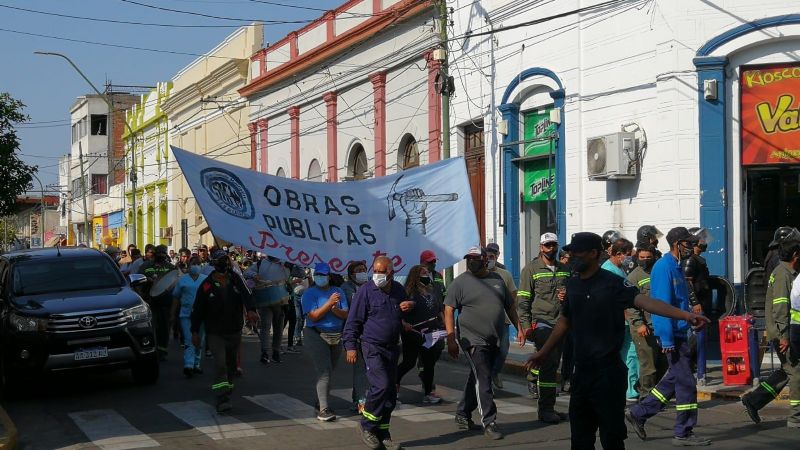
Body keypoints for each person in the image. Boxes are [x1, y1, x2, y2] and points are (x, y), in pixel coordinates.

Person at [525, 232, 709, 450]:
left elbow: (647, 303)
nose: (571, 256)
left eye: (576, 253)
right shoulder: (573, 284)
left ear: (593, 253)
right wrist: (543, 352)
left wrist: (686, 315)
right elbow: (564, 321)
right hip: (582, 374)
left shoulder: (612, 283)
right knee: (581, 440)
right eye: (570, 252)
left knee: (612, 439)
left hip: (608, 374)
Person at [626, 227, 712, 446]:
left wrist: (693, 320)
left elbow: (680, 302)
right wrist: (665, 338)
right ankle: (683, 432)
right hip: (672, 335)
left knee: (673, 380)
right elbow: (661, 306)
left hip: (681, 332)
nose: (691, 247)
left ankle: (638, 413)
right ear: (677, 244)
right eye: (688, 243)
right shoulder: (664, 268)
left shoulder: (676, 267)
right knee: (686, 384)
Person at [446, 247, 523, 440]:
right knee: (484, 377)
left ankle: (463, 413)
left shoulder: (497, 280)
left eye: (475, 258)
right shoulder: (460, 282)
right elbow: (448, 310)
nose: (472, 261)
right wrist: (451, 338)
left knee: (478, 377)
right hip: (472, 339)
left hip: (494, 338)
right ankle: (489, 421)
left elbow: (510, 306)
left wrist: (519, 328)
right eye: (468, 259)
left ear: (484, 259)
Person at [343, 256, 405, 450]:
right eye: (375, 271)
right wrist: (351, 346)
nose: (377, 275)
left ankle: (383, 432)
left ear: (391, 273)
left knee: (391, 392)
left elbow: (400, 314)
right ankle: (367, 425)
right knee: (381, 386)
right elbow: (353, 321)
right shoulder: (365, 291)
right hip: (372, 346)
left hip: (392, 347)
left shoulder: (398, 290)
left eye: (381, 272)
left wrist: (408, 309)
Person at [742, 228, 800, 428]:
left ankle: (754, 400)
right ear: (794, 254)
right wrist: (783, 336)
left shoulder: (785, 270)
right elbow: (781, 307)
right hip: (783, 332)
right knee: (795, 373)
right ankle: (795, 417)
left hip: (785, 330)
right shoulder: (783, 273)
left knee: (787, 371)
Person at [191, 249, 257, 413]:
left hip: (234, 330)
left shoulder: (235, 279)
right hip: (215, 332)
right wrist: (194, 332)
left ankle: (228, 387)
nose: (224, 264)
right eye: (220, 261)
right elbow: (198, 309)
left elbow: (246, 295)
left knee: (231, 365)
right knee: (220, 364)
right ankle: (222, 398)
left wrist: (251, 310)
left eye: (226, 260)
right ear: (213, 264)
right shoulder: (206, 285)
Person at [517, 233, 570, 422]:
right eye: (547, 245)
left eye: (554, 245)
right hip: (542, 321)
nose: (551, 249)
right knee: (549, 363)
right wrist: (525, 326)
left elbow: (572, 292)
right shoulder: (530, 269)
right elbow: (523, 300)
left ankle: (550, 406)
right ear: (541, 247)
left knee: (554, 363)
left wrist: (568, 295)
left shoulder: (565, 269)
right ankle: (545, 409)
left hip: (562, 322)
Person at [302, 262, 349, 422]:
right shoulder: (309, 293)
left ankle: (320, 401)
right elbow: (314, 316)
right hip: (316, 334)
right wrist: (329, 304)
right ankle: (323, 409)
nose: (321, 277)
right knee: (324, 371)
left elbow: (345, 315)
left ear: (329, 276)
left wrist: (334, 308)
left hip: (336, 335)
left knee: (329, 371)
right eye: (318, 275)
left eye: (323, 275)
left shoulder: (338, 291)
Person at [397, 265, 444, 404]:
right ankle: (394, 384)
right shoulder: (408, 292)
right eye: (423, 273)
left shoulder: (432, 290)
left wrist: (444, 324)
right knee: (409, 362)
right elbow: (400, 310)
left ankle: (428, 392)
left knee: (429, 363)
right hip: (413, 333)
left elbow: (438, 308)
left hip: (430, 333)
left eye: (427, 273)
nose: (427, 275)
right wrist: (404, 322)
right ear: (415, 276)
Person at [626, 243, 667, 400]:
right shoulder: (634, 277)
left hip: (660, 325)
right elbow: (630, 304)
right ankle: (646, 397)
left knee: (663, 363)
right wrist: (639, 324)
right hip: (644, 327)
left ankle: (653, 392)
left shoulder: (659, 272)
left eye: (648, 257)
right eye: (641, 258)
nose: (645, 260)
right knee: (648, 365)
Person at [602, 238, 640, 403]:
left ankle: (629, 388)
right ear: (618, 254)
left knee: (630, 354)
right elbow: (612, 300)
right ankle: (624, 389)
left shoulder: (620, 269)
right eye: (627, 254)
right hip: (616, 322)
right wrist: (630, 318)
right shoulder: (608, 270)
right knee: (622, 355)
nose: (630, 257)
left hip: (624, 322)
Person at [244, 255, 290, 364]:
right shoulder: (260, 263)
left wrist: (292, 264)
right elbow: (246, 272)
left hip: (281, 301)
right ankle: (265, 352)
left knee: (278, 327)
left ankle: (276, 352)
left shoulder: (285, 263)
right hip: (264, 300)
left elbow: (300, 274)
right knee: (265, 326)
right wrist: (254, 275)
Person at [486, 244, 517, 390]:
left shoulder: (505, 274)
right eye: (486, 257)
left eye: (492, 257)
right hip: (484, 321)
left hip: (503, 319)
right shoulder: (478, 274)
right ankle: (485, 379)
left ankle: (495, 372)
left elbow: (513, 295)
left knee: (503, 349)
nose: (489, 260)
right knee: (486, 351)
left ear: (496, 257)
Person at [138, 245, 177, 360]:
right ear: (155, 253)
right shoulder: (145, 266)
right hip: (149, 301)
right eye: (159, 252)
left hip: (165, 301)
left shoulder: (170, 267)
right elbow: (138, 280)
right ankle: (150, 349)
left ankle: (162, 350)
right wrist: (148, 281)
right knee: (151, 326)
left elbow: (175, 281)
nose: (161, 255)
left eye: (163, 253)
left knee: (165, 327)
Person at [341, 260, 370, 413]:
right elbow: (349, 311)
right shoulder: (345, 288)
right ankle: (361, 401)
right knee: (360, 369)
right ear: (352, 274)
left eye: (364, 269)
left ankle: (358, 398)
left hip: (370, 332)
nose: (363, 272)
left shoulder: (371, 285)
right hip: (355, 332)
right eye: (359, 270)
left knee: (369, 368)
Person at [172, 256, 207, 378]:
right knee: (189, 339)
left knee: (200, 340)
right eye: (193, 263)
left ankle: (196, 364)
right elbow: (176, 297)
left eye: (198, 263)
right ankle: (188, 365)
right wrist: (172, 314)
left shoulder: (206, 280)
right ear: (189, 265)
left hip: (202, 315)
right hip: (186, 314)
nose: (196, 265)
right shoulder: (182, 280)